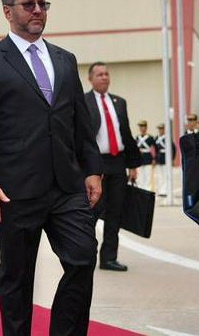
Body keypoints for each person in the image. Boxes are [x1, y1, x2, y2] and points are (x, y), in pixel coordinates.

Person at [0, 0, 103, 336]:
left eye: (43, 4)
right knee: (17, 278)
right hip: (14, 191)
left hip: (66, 187)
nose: (38, 10)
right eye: (29, 5)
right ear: (8, 11)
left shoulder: (65, 59)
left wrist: (93, 170)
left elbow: (80, 123)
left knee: (83, 257)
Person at [85, 62, 141, 272]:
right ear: (90, 79)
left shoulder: (119, 102)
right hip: (95, 164)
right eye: (99, 74)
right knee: (92, 212)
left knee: (115, 212)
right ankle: (86, 254)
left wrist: (133, 164)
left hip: (118, 162)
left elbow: (125, 133)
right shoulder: (83, 101)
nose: (104, 77)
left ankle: (109, 258)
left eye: (106, 74)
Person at [135, 121, 156, 191]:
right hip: (139, 159)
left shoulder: (150, 138)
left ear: (146, 127)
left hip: (148, 158)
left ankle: (147, 191)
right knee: (140, 177)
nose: (141, 128)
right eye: (140, 127)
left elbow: (155, 148)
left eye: (143, 127)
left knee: (148, 177)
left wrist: (154, 159)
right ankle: (141, 190)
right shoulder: (137, 138)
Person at [154, 123, 171, 199]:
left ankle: (166, 190)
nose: (160, 130)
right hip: (159, 158)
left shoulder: (167, 138)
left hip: (165, 158)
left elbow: (172, 148)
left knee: (165, 175)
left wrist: (172, 158)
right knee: (160, 175)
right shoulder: (156, 138)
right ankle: (161, 190)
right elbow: (155, 149)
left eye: (162, 129)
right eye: (159, 129)